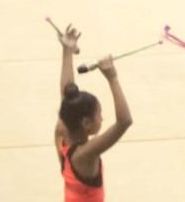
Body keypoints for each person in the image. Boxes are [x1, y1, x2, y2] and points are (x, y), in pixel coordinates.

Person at [54, 24, 133, 202]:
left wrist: (67, 50)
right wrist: (112, 77)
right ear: (86, 123)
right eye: (99, 114)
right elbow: (124, 121)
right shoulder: (85, 155)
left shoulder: (63, 134)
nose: (102, 118)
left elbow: (67, 94)